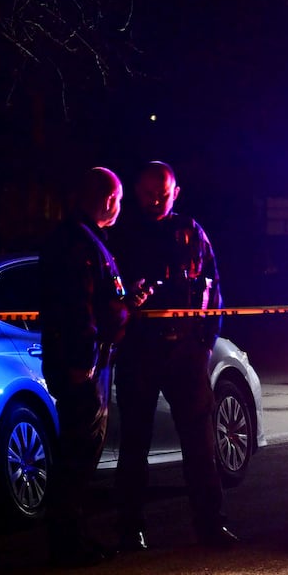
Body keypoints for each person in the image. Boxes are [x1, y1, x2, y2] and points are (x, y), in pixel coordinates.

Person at [108, 160, 236, 551]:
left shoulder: (191, 232)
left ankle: (210, 525)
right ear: (135, 192)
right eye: (148, 193)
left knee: (199, 443)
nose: (156, 200)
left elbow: (213, 288)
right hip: (139, 351)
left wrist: (204, 344)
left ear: (176, 193)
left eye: (163, 193)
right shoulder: (122, 234)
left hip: (185, 351)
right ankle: (130, 530)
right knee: (134, 445)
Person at [37, 166, 143, 567]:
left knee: (82, 454)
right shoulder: (79, 243)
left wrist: (126, 304)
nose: (118, 207)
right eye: (115, 198)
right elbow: (77, 309)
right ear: (103, 198)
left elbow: (98, 304)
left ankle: (74, 537)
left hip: (90, 360)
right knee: (78, 455)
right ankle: (66, 543)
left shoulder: (86, 240)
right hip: (84, 364)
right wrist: (82, 362)